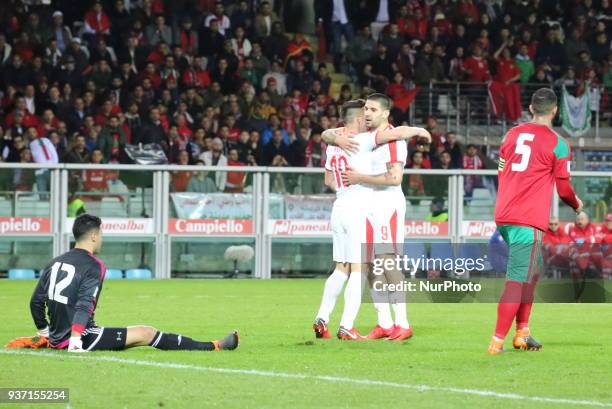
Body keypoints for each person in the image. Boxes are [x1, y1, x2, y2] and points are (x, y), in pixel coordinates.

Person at [29, 214, 239, 352]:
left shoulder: (54, 262)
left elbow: (36, 302)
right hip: (81, 337)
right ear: (93, 236)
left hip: (60, 337)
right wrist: (75, 338)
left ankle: (214, 345)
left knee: (140, 335)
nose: (101, 238)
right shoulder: (93, 265)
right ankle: (215, 346)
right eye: (100, 234)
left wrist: (46, 334)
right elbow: (85, 303)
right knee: (147, 332)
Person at [489, 88, 582, 355]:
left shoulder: (511, 134)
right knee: (517, 279)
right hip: (526, 220)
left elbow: (502, 169)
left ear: (530, 109)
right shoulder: (558, 143)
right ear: (555, 111)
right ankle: (497, 343)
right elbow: (564, 190)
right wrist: (577, 205)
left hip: (505, 215)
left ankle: (523, 332)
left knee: (534, 269)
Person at [340, 94, 431, 341]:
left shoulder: (393, 141)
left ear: (385, 114)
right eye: (365, 109)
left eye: (372, 109)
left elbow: (394, 179)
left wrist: (360, 178)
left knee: (388, 262)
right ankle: (385, 322)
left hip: (386, 206)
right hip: (368, 206)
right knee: (370, 264)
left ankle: (403, 322)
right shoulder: (370, 138)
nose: (366, 113)